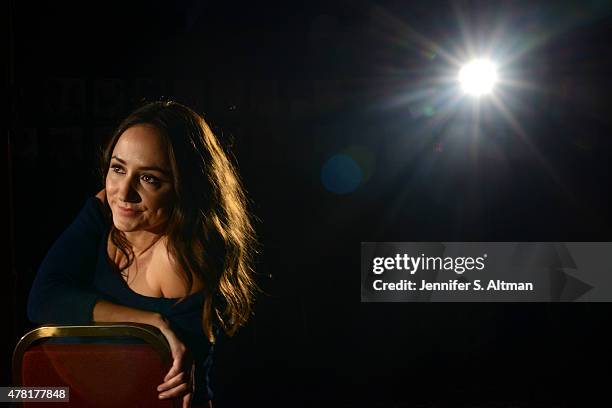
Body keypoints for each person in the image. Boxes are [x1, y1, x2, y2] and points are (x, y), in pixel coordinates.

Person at [27, 100, 258, 407]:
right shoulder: (104, 209)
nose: (123, 193)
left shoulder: (174, 259)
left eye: (149, 178)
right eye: (118, 169)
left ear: (184, 188)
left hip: (123, 399)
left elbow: (138, 389)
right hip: (64, 390)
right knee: (9, 395)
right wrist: (148, 320)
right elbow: (41, 300)